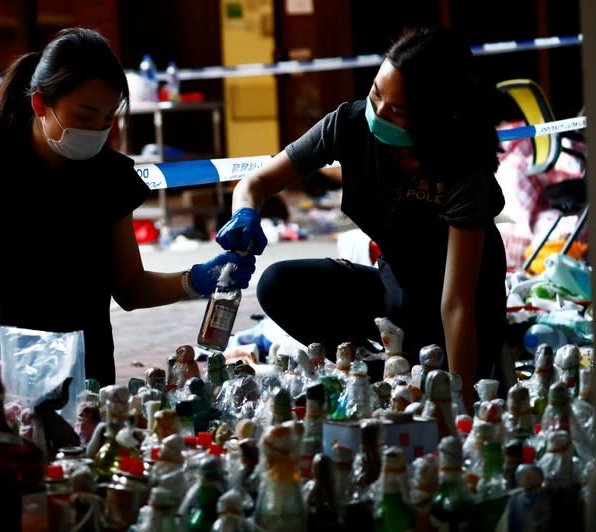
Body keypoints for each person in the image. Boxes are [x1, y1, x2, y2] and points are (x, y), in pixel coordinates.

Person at [0, 27, 254, 387]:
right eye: (84, 116)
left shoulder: (109, 174)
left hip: (68, 347)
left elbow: (130, 287)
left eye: (107, 118)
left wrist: (197, 280)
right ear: (40, 104)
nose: (96, 129)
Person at [216, 26, 506, 409]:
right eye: (375, 94)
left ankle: (410, 375)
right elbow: (256, 182)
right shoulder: (349, 125)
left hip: (459, 311)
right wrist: (245, 213)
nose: (378, 113)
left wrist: (461, 403)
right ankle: (370, 374)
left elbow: (457, 303)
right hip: (395, 290)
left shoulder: (462, 171)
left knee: (437, 378)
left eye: (397, 110)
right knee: (278, 285)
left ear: (434, 116)